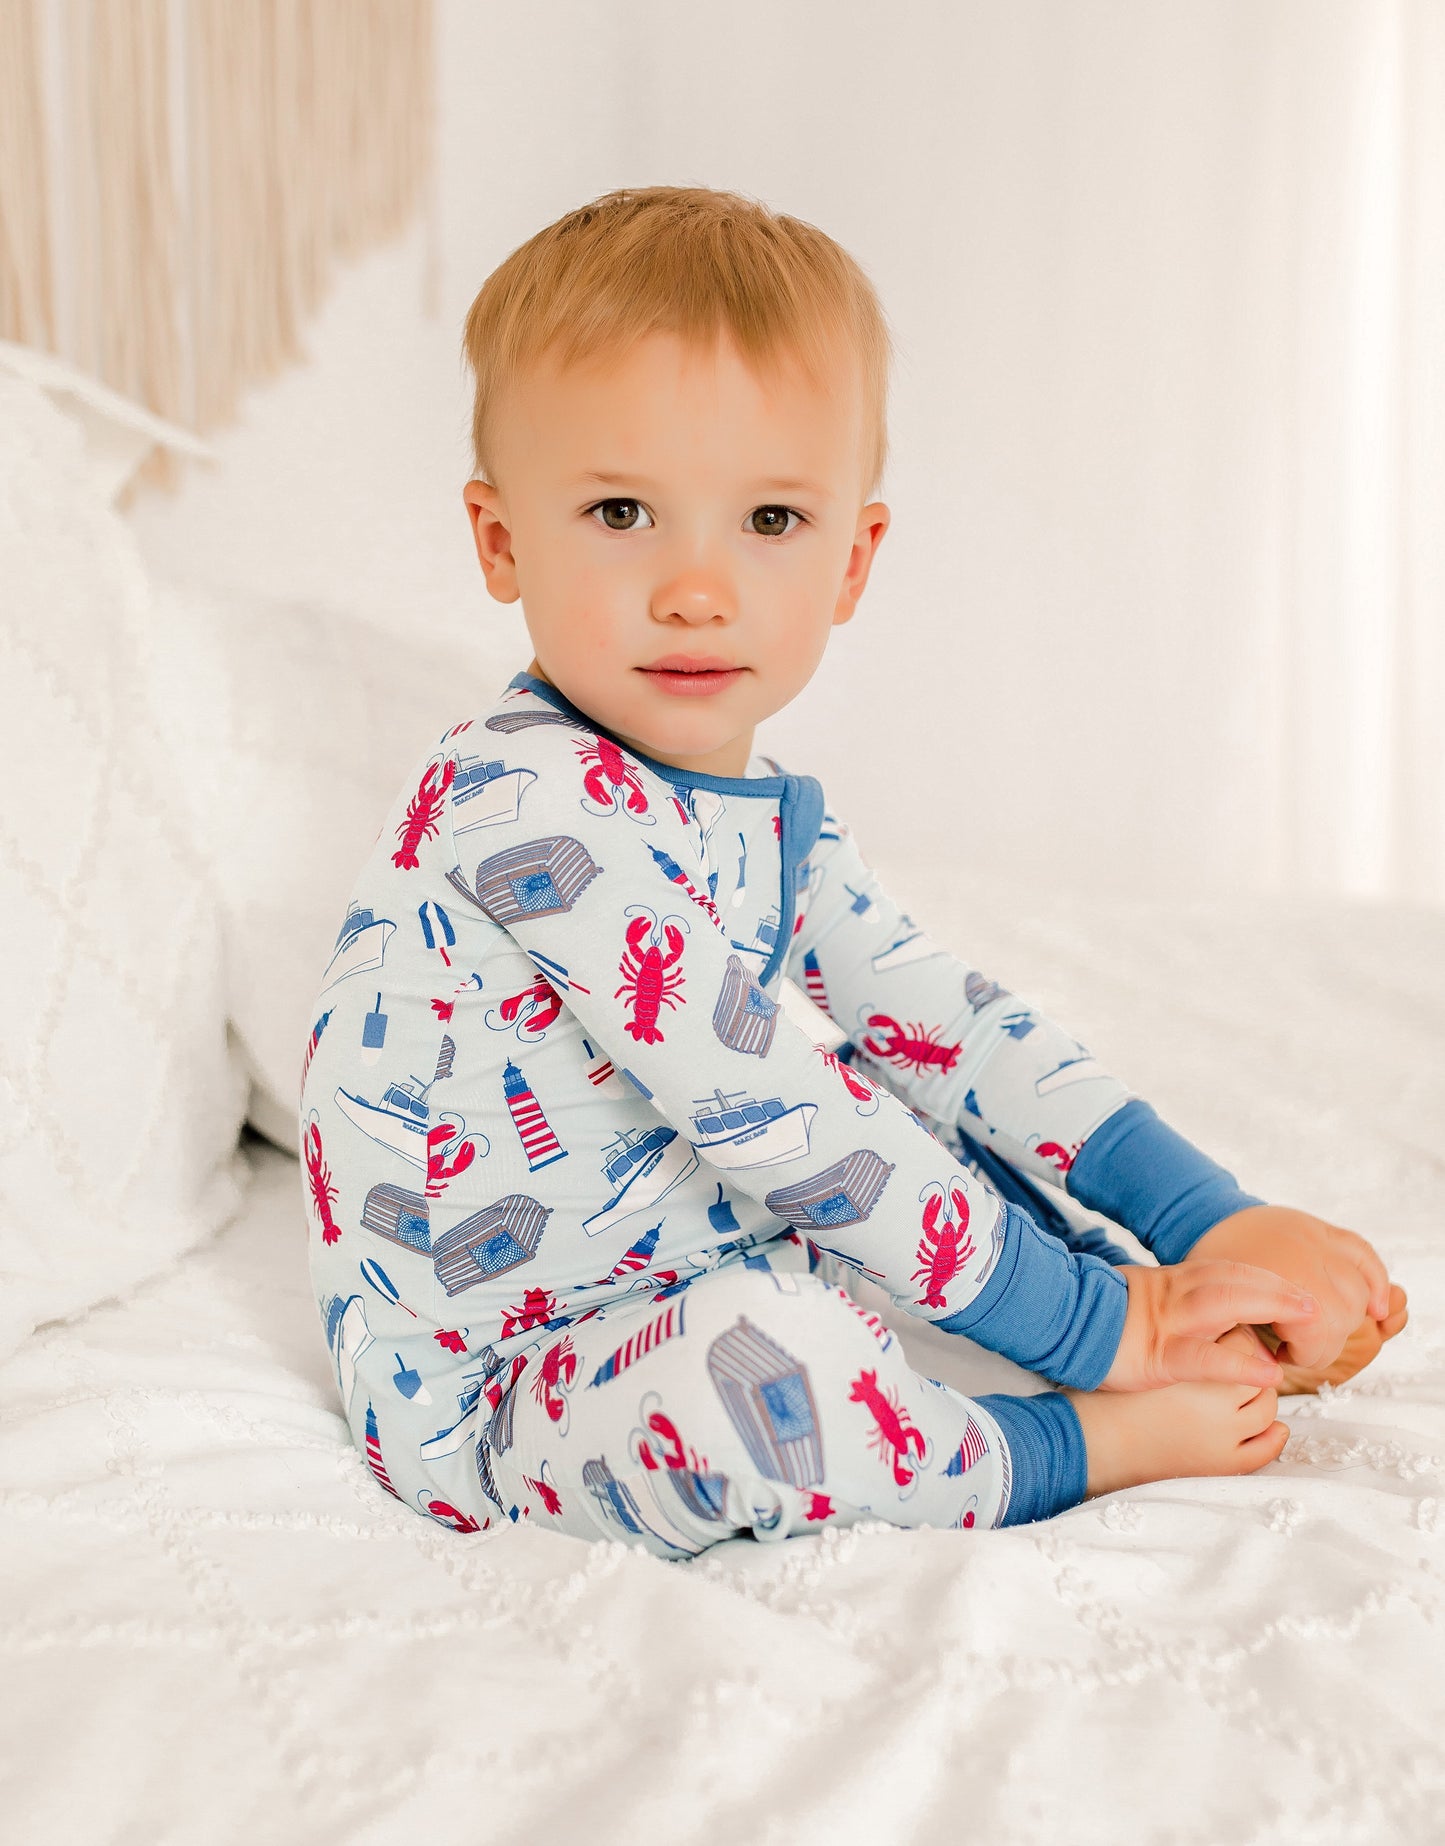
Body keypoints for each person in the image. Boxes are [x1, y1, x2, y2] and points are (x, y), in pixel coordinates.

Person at [298, 186, 1409, 1557]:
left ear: (851, 560)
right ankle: (1055, 1443)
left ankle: (1201, 1312)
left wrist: (1202, 1221)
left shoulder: (764, 821)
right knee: (764, 1349)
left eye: (767, 520)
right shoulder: (517, 806)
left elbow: (944, 1017)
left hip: (690, 1245)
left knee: (913, 1107)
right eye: (622, 510)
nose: (696, 586)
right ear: (501, 541)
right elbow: (767, 1101)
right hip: (511, 1385)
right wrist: (1109, 1339)